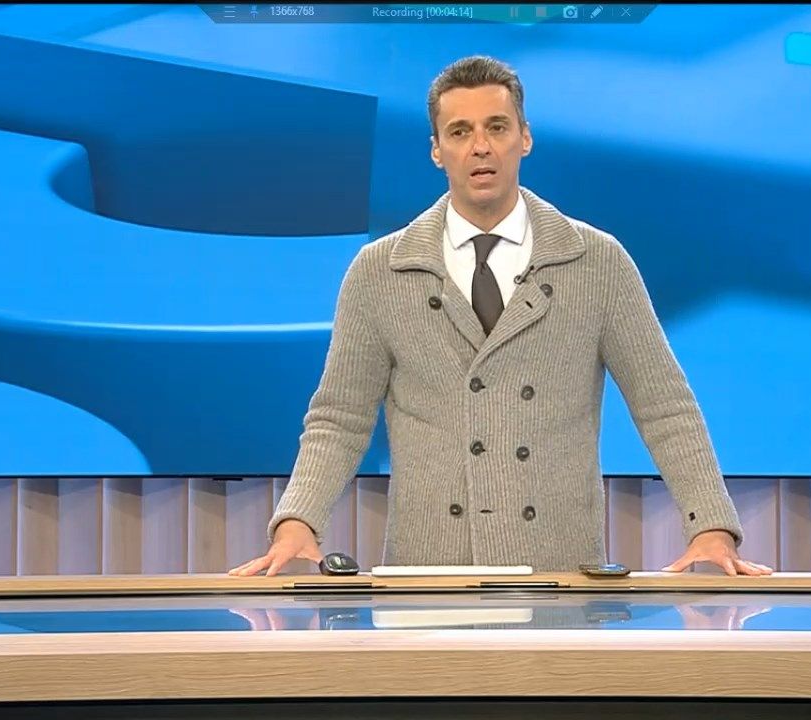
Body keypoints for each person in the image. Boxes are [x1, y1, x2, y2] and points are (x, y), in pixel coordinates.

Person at [230, 55, 773, 577]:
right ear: (437, 150)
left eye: (496, 126)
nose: (481, 146)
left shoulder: (597, 261)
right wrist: (297, 522)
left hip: (558, 572)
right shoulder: (381, 271)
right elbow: (340, 418)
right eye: (460, 131)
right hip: (429, 576)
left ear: (525, 137)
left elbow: (664, 406)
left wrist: (710, 527)